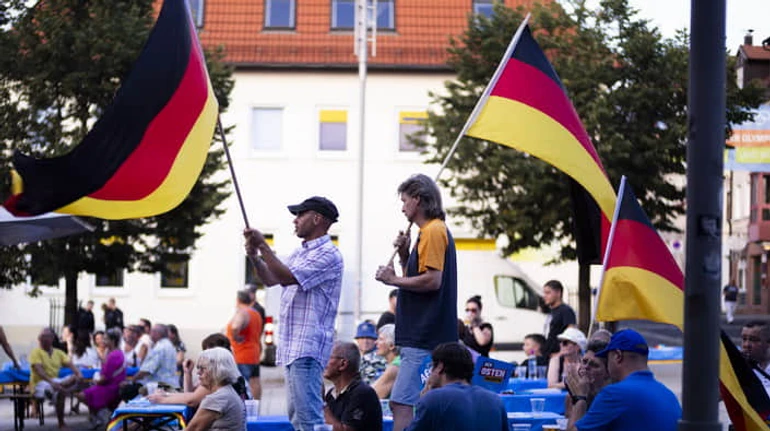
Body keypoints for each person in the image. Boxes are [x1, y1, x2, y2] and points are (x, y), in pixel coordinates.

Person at [244, 195, 343, 431]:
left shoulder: (328, 254)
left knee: (309, 419)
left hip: (306, 347)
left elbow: (288, 277)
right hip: (293, 346)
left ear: (317, 218)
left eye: (300, 214)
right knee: (297, 418)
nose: (295, 220)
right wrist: (254, 257)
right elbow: (271, 278)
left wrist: (263, 246)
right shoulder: (301, 252)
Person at [375, 174, 458, 431]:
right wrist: (404, 255)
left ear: (418, 200)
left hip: (424, 333)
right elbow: (418, 280)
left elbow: (432, 281)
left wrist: (392, 279)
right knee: (424, 401)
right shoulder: (429, 232)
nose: (402, 207)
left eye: (405, 200)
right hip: (425, 333)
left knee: (400, 402)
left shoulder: (433, 230)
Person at [567, 329, 681, 431]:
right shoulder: (668, 394)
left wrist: (579, 398)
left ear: (617, 356)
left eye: (608, 357)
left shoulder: (614, 394)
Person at [405, 342, 507, 431]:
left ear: (440, 367)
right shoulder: (495, 400)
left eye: (431, 366)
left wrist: (422, 402)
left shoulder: (433, 399)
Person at [149, 333, 234, 408]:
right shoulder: (224, 370)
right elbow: (190, 394)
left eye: (208, 353)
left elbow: (192, 401)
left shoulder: (220, 375)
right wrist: (187, 373)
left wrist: (162, 399)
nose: (205, 356)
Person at [29, 327, 83, 430]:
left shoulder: (58, 352)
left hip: (55, 382)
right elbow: (40, 372)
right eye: (41, 337)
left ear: (52, 338)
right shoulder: (35, 352)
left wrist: (78, 373)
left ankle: (57, 390)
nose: (43, 339)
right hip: (40, 383)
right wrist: (52, 383)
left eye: (46, 336)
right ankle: (61, 422)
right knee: (59, 391)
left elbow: (71, 364)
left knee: (74, 378)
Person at [323, 342, 383, 431]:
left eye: (327, 357)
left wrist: (321, 403)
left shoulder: (362, 393)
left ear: (343, 364)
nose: (322, 361)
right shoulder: (331, 394)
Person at [186, 347, 247, 431]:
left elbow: (192, 429)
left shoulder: (217, 398)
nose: (198, 372)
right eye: (198, 368)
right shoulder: (228, 392)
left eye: (202, 368)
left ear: (217, 370)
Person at [77, 328, 126, 427]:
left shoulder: (114, 355)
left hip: (110, 388)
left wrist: (96, 382)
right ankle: (98, 415)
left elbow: (105, 378)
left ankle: (101, 413)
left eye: (106, 339)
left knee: (81, 395)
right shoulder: (115, 352)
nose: (103, 341)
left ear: (112, 341)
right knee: (87, 392)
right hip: (111, 385)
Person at [227, 290, 263, 400]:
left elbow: (235, 327)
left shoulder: (242, 312)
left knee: (240, 386)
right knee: (254, 381)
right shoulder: (256, 313)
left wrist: (235, 337)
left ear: (238, 300)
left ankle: (242, 409)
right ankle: (255, 408)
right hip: (254, 354)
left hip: (241, 355)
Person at [563, 339, 610, 418]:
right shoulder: (571, 396)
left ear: (607, 372)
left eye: (594, 365)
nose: (585, 367)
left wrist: (580, 399)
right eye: (584, 361)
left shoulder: (607, 399)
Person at [130, 324, 179, 389]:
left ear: (157, 333)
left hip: (159, 386)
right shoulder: (170, 345)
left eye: (152, 331)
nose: (150, 334)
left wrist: (133, 380)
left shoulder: (159, 348)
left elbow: (146, 370)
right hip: (170, 384)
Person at [542, 280, 577, 358]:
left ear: (558, 293)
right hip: (548, 355)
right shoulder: (551, 311)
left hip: (558, 357)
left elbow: (571, 335)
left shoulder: (566, 311)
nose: (544, 296)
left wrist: (560, 354)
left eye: (548, 293)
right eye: (544, 293)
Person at [372, 323, 401, 399]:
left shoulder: (395, 367)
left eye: (380, 339)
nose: (376, 342)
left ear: (391, 346)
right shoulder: (399, 362)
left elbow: (373, 395)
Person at [741, 320, 770, 393]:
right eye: (744, 339)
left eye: (753, 340)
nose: (746, 345)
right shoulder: (738, 369)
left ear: (768, 342)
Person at [355, 321, 386, 385]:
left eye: (369, 338)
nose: (365, 341)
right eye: (362, 338)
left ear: (375, 340)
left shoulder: (380, 358)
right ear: (357, 340)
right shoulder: (354, 356)